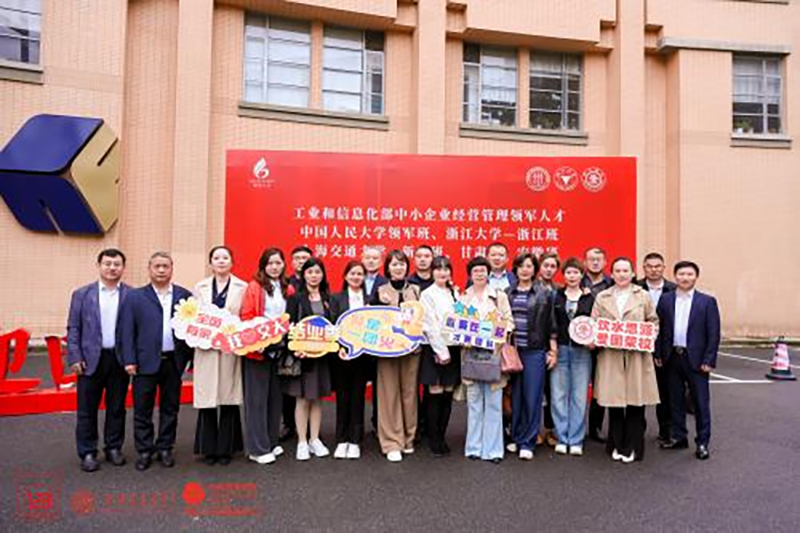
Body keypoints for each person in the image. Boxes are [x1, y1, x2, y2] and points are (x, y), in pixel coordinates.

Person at [118, 252, 193, 471]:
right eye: (157, 266)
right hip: (144, 362)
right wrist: (129, 360)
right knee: (142, 409)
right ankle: (144, 450)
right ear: (149, 269)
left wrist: (189, 359)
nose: (161, 270)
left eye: (165, 266)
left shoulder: (184, 296)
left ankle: (165, 447)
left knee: (170, 408)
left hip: (173, 362)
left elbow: (192, 331)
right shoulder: (135, 297)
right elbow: (126, 331)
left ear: (172, 269)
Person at [67, 248, 131, 472]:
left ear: (123, 267)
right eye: (107, 264)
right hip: (89, 359)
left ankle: (113, 447)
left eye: (117, 264)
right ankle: (87, 452)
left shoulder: (131, 295)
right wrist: (75, 356)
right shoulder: (82, 294)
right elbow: (73, 328)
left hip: (119, 359)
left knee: (117, 407)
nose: (112, 268)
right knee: (87, 409)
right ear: (99, 266)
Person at [591, 257, 659, 463]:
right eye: (618, 271)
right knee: (614, 403)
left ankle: (632, 447)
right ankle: (616, 444)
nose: (622, 274)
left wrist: (648, 336)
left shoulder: (643, 295)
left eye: (625, 270)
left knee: (635, 403)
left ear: (632, 273)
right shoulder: (602, 297)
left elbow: (653, 321)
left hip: (636, 356)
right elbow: (594, 323)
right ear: (612, 274)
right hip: (610, 356)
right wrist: (593, 338)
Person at [656, 261, 720, 460]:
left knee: (700, 403)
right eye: (681, 274)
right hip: (671, 357)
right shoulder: (665, 300)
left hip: (697, 360)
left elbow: (713, 333)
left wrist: (709, 359)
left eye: (689, 274)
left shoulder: (707, 302)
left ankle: (702, 442)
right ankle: (678, 437)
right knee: (674, 401)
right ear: (675, 276)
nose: (685, 278)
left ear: (696, 277)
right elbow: (659, 329)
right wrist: (658, 354)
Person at [192, 246, 247, 466]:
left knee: (228, 398)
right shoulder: (200, 287)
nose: (221, 261)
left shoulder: (242, 287)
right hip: (206, 349)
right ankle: (207, 449)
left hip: (229, 349)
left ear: (232, 262)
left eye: (225, 257)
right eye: (216, 258)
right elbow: (193, 317)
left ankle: (226, 449)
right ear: (211, 263)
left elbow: (244, 317)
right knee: (207, 399)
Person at [240, 248, 292, 465]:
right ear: (263, 266)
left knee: (274, 399)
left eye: (278, 263)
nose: (274, 267)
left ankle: (270, 442)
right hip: (258, 351)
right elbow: (247, 316)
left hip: (279, 349)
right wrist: (258, 341)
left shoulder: (287, 287)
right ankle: (257, 448)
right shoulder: (254, 286)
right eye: (270, 263)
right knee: (257, 401)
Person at [461, 256, 513, 463]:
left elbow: (510, 323)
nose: (480, 274)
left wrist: (494, 333)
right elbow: (456, 324)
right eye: (476, 271)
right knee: (474, 403)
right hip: (470, 355)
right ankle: (473, 447)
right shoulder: (463, 297)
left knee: (493, 404)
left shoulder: (499, 296)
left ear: (488, 273)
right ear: (470, 274)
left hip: (493, 356)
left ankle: (493, 450)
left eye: (483, 270)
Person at [505, 253, 556, 460]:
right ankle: (517, 437)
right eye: (521, 266)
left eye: (529, 266)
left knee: (533, 397)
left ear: (535, 270)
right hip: (513, 351)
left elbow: (552, 325)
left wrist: (552, 351)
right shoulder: (508, 292)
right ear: (515, 269)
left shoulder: (544, 293)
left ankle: (528, 441)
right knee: (515, 396)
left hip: (535, 351)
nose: (525, 270)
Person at [373, 249, 421, 462]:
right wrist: (379, 303)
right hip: (387, 351)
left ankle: (409, 438)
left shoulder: (417, 290)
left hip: (412, 350)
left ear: (407, 267)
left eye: (402, 264)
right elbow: (371, 321)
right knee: (388, 394)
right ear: (387, 268)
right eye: (394, 264)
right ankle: (392, 442)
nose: (398, 268)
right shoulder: (379, 290)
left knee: (409, 394)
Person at [284, 257, 333, 461]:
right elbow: (288, 327)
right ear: (304, 275)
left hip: (322, 357)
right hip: (303, 357)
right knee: (303, 400)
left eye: (317, 272)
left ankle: (315, 439)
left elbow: (333, 326)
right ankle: (302, 441)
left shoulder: (328, 298)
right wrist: (295, 348)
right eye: (310, 272)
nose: (314, 276)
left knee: (318, 399)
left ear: (323, 275)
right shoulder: (296, 298)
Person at [550, 258, 595, 456]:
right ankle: (562, 437)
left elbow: (596, 323)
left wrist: (593, 340)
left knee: (579, 396)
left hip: (582, 351)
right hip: (560, 349)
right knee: (558, 395)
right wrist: (552, 348)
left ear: (582, 274)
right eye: (568, 272)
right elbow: (550, 323)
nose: (572, 276)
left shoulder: (589, 298)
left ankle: (576, 439)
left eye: (576, 272)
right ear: (563, 275)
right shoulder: (556, 296)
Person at [419, 256, 460, 457]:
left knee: (447, 393)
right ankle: (433, 439)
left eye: (446, 269)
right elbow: (429, 326)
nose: (442, 273)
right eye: (438, 269)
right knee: (435, 391)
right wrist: (441, 351)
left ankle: (442, 436)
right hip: (435, 349)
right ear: (432, 272)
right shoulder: (427, 294)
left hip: (454, 348)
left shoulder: (455, 292)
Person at [329, 260, 370, 460]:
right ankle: (341, 440)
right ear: (345, 276)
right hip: (342, 355)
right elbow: (332, 325)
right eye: (352, 273)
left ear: (364, 277)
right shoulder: (336, 298)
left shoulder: (370, 299)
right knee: (343, 398)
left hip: (362, 356)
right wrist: (340, 348)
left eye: (359, 274)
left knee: (358, 398)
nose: (356, 277)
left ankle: (355, 441)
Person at [637, 252, 677, 443]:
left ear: (663, 268)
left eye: (657, 266)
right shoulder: (635, 287)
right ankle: (638, 429)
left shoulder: (674, 289)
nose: (654, 270)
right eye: (649, 266)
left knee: (665, 392)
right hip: (639, 346)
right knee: (638, 390)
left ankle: (666, 430)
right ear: (644, 268)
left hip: (666, 347)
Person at [582, 247, 613, 443]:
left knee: (600, 386)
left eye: (598, 259)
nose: (595, 262)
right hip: (579, 343)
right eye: (591, 259)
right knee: (576, 387)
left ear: (605, 262)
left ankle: (595, 427)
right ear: (584, 262)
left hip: (604, 344)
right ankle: (575, 427)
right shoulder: (577, 280)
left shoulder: (612, 284)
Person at [282, 245, 312, 441]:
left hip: (312, 342)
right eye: (298, 258)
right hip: (290, 340)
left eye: (305, 258)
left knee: (308, 387)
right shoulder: (285, 284)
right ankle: (288, 424)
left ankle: (308, 426)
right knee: (288, 385)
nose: (301, 261)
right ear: (292, 263)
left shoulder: (316, 283)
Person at [536, 251, 560, 447]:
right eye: (546, 265)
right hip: (535, 346)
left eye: (553, 266)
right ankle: (534, 429)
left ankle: (551, 429)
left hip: (555, 345)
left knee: (553, 391)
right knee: (534, 390)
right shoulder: (530, 288)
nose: (549, 269)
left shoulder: (560, 290)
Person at [361, 245, 387, 434]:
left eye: (375, 258)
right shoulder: (354, 278)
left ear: (381, 261)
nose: (371, 261)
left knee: (380, 387)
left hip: (379, 342)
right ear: (362, 259)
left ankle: (379, 425)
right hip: (358, 340)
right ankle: (356, 429)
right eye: (368, 258)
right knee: (356, 386)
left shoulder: (386, 283)